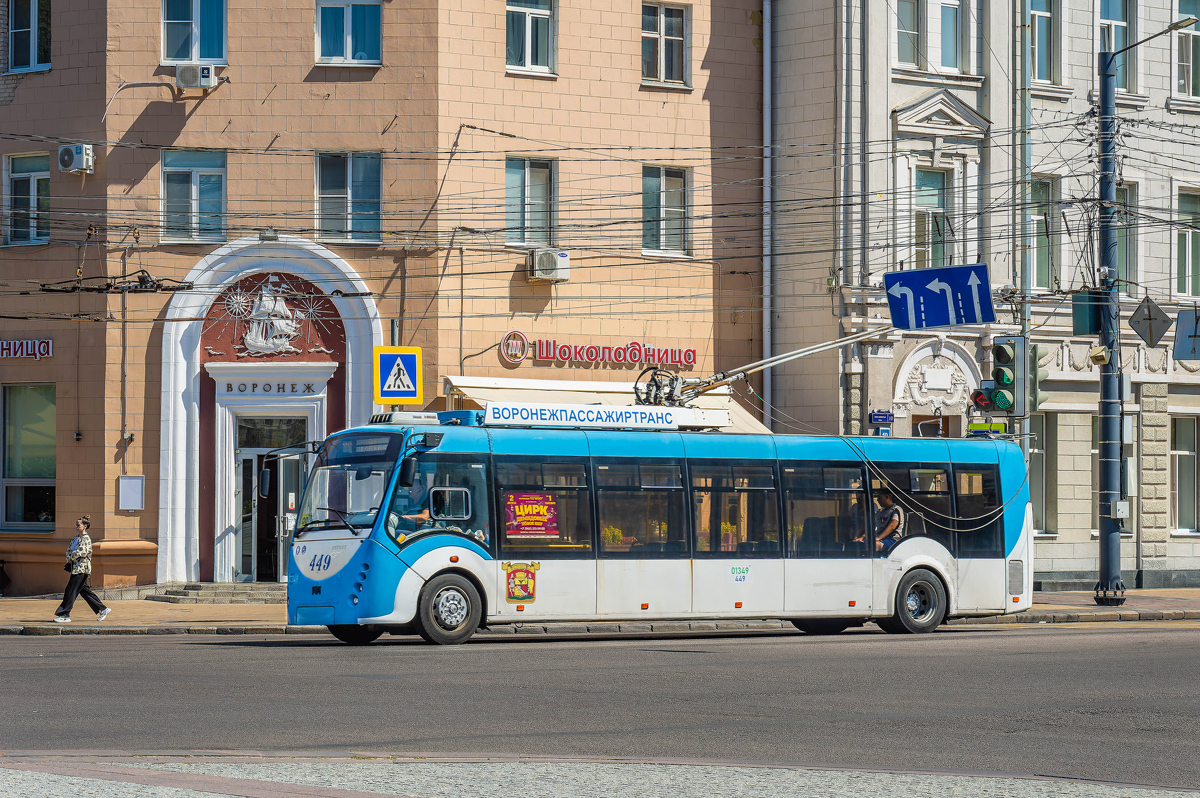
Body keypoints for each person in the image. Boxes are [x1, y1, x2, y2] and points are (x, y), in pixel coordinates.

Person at [54, 516, 110, 623]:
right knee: (84, 591)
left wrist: (72, 555)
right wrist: (71, 557)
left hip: (82, 569)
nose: (76, 526)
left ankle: (65, 615)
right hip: (76, 568)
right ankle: (102, 609)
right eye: (76, 524)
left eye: (78, 524)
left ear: (85, 526)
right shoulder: (76, 538)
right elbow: (68, 550)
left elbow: (83, 552)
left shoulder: (86, 538)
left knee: (71, 590)